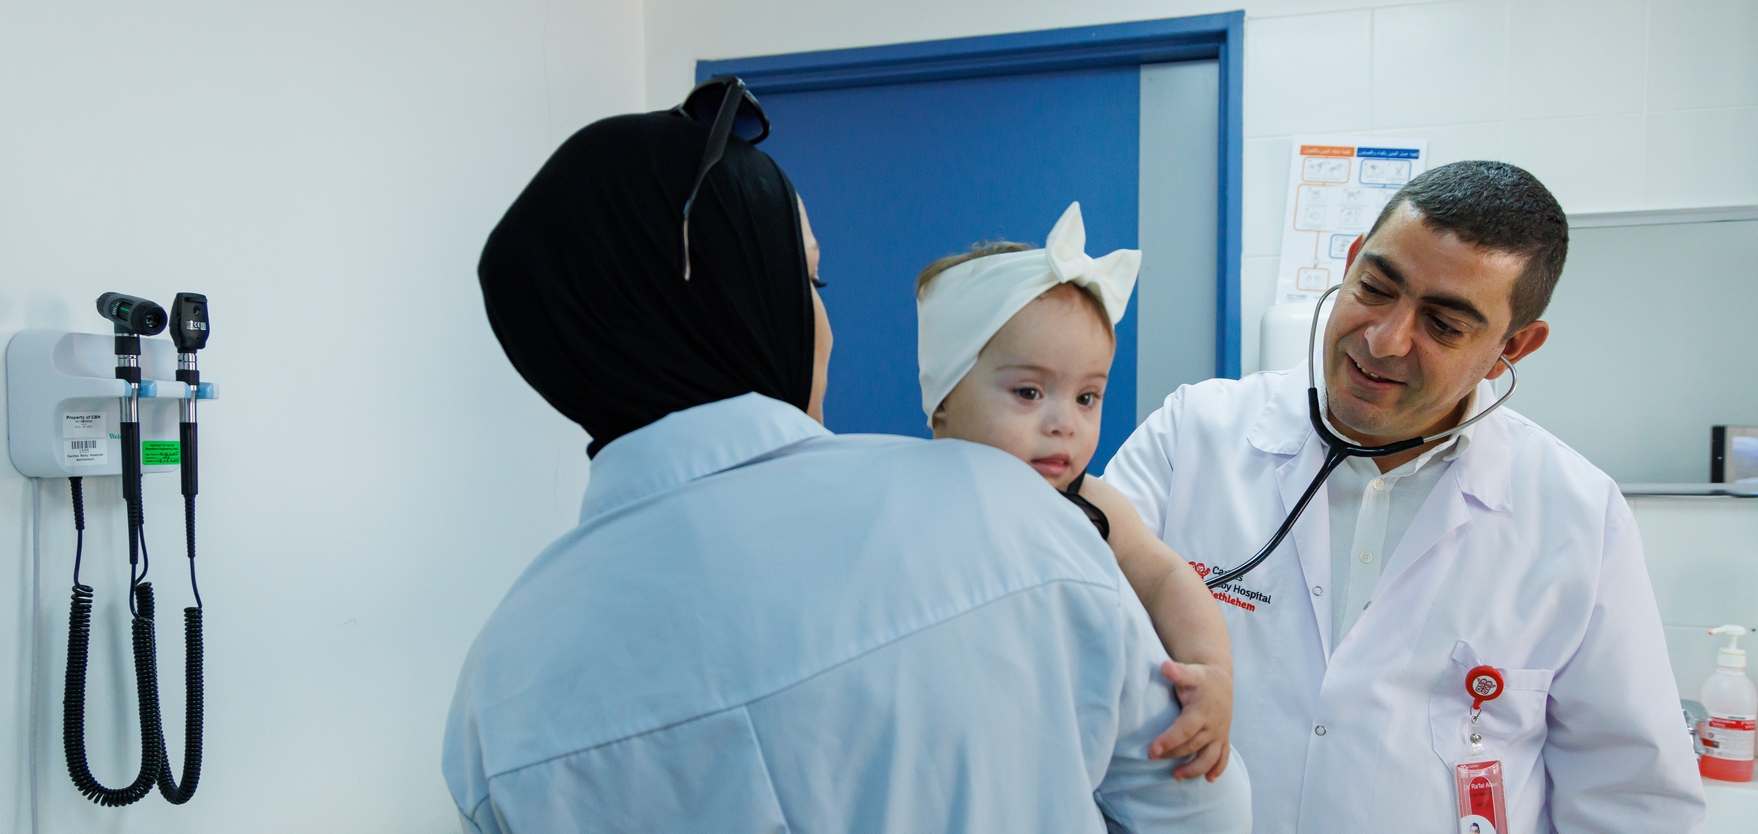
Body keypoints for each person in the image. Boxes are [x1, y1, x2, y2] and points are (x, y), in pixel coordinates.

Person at [443, 92, 1250, 832]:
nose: (826, 326)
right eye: (808, 281)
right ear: (752, 307)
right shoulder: (1017, 521)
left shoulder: (495, 700)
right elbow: (1201, 815)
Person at [1102, 160, 1707, 832]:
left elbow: (1630, 797)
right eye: (1375, 288)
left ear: (1513, 347)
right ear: (1353, 261)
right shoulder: (1193, 435)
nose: (1384, 339)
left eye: (1443, 325)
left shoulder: (1576, 516)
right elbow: (1070, 637)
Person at [915, 202, 1235, 781]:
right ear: (943, 399)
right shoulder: (914, 502)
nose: (1064, 423)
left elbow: (1166, 577)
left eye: (1087, 397)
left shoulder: (1092, 505)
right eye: (1029, 392)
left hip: (1064, 754)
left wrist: (1210, 669)